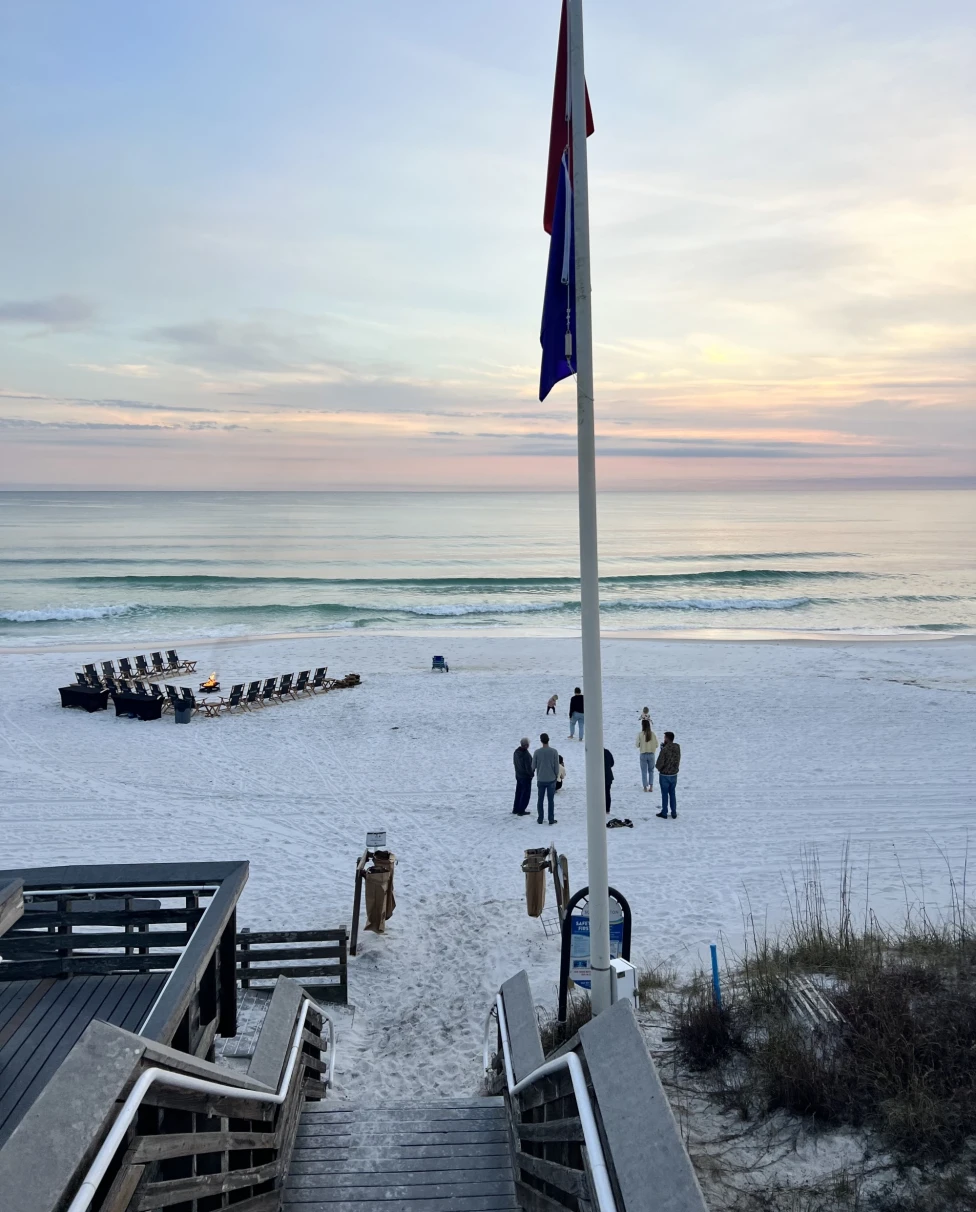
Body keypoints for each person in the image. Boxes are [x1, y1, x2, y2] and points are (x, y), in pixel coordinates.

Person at [533, 733, 560, 825]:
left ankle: (540, 818)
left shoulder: (537, 752)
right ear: (548, 740)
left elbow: (533, 766)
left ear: (541, 741)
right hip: (551, 778)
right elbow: (557, 766)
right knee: (550, 800)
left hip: (541, 778)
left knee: (540, 799)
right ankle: (551, 819)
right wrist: (556, 775)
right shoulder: (554, 752)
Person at [655, 732, 681, 818]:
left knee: (665, 794)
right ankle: (674, 812)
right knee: (672, 793)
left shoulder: (665, 749)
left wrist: (662, 751)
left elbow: (659, 763)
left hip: (664, 775)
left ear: (666, 738)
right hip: (674, 775)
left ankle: (664, 812)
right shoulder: (677, 747)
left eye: (664, 737)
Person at [635, 718, 659, 792]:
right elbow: (657, 745)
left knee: (644, 771)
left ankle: (645, 787)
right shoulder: (653, 734)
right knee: (651, 771)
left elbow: (637, 745)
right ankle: (651, 786)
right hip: (651, 754)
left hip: (643, 754)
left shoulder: (640, 734)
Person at [512, 736, 533, 815]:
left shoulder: (516, 752)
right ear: (526, 745)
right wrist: (531, 774)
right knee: (525, 794)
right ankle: (521, 810)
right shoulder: (526, 755)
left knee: (518, 792)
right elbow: (529, 768)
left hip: (518, 775)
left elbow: (514, 763)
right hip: (525, 777)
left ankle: (516, 808)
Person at [604, 747, 615, 813]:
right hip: (608, 776)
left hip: (599, 776)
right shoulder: (607, 752)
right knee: (607, 793)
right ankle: (607, 809)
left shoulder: (594, 754)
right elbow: (612, 763)